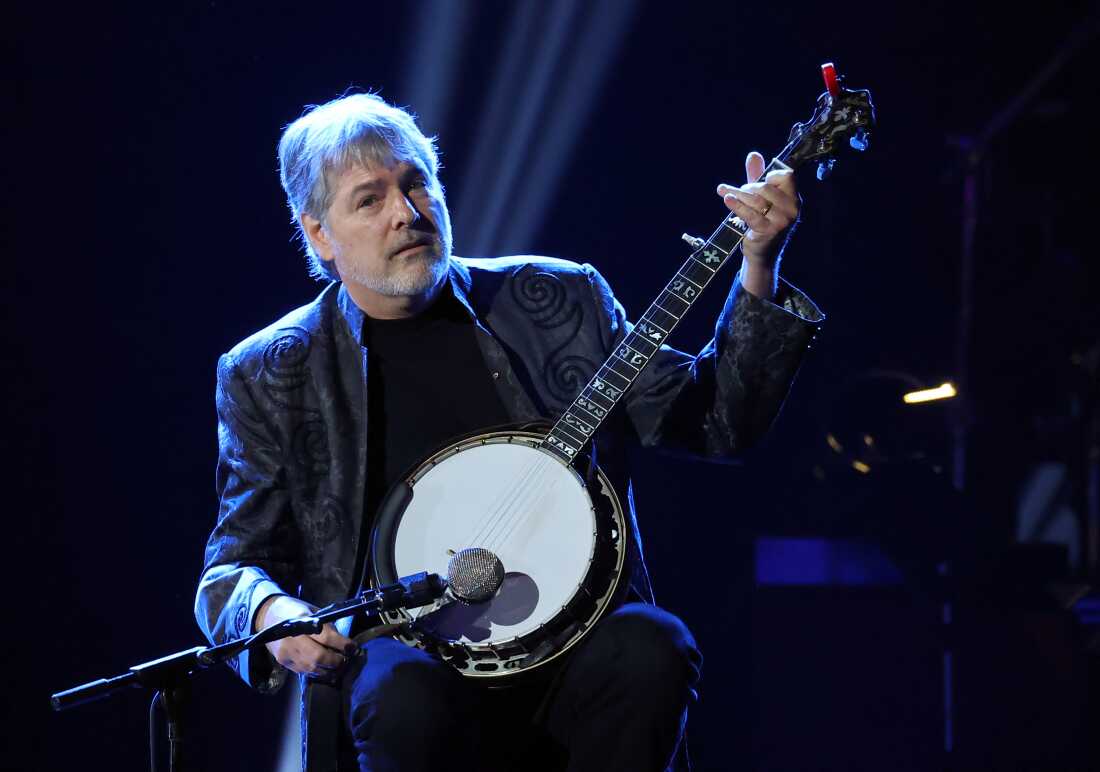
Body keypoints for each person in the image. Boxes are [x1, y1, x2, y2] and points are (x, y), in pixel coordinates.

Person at [195, 92, 823, 771]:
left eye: (416, 184)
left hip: (576, 640)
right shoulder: (273, 370)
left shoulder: (557, 300)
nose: (406, 213)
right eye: (369, 200)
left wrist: (758, 265)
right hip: (411, 660)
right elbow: (230, 569)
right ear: (318, 233)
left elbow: (720, 424)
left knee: (651, 644)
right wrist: (271, 618)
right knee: (401, 695)